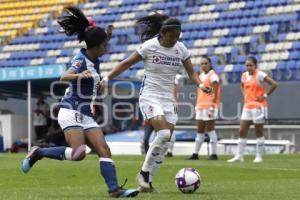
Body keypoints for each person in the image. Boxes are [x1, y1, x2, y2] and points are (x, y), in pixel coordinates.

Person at [21, 6, 139, 198]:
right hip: (70, 110)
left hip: (86, 114)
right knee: (78, 154)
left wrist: (107, 36)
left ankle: (114, 190)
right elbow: (63, 76)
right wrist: (78, 76)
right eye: (104, 45)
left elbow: (96, 47)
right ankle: (39, 152)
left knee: (104, 149)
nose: (106, 48)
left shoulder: (94, 55)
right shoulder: (80, 60)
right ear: (95, 47)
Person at [100, 13, 211, 192]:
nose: (175, 39)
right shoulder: (149, 47)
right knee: (164, 133)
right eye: (172, 36)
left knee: (166, 140)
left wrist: (200, 85)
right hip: (150, 96)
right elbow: (126, 63)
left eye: (178, 36)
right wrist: (106, 78)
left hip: (168, 99)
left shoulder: (181, 49)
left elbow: (191, 73)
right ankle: (144, 174)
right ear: (162, 33)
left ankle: (148, 181)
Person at [227, 55, 277, 163]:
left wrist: (265, 95)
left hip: (259, 107)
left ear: (255, 65)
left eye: (251, 65)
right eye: (247, 65)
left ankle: (259, 156)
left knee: (258, 132)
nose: (248, 67)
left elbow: (274, 84)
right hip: (247, 106)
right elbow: (242, 85)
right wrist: (245, 94)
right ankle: (239, 156)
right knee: (242, 130)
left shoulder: (260, 74)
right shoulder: (244, 75)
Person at [187, 55, 221, 160]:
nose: (204, 65)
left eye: (206, 63)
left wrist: (213, 105)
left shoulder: (213, 75)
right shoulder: (200, 76)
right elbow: (199, 93)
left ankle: (214, 154)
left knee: (210, 129)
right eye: (202, 63)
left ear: (210, 64)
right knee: (199, 130)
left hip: (209, 105)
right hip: (201, 106)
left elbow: (215, 90)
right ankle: (195, 153)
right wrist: (196, 106)